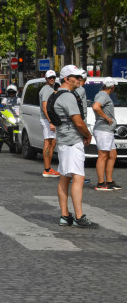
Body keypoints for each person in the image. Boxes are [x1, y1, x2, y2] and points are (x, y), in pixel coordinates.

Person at [53, 65, 98, 229]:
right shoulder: (69, 97)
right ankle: (79, 217)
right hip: (72, 141)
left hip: (64, 140)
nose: (80, 80)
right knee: (78, 177)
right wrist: (87, 134)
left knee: (65, 177)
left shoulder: (58, 95)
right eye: (76, 77)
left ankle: (65, 216)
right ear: (67, 79)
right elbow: (78, 121)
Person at [92, 77, 121, 191]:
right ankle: (100, 183)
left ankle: (109, 181)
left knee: (112, 155)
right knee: (103, 156)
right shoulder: (103, 95)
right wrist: (106, 118)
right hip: (103, 130)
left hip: (107, 130)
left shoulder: (102, 95)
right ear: (112, 87)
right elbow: (96, 107)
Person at [39, 70, 60, 177]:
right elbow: (44, 107)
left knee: (52, 142)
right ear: (46, 79)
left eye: (53, 77)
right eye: (50, 78)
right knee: (48, 142)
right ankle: (47, 169)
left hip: (49, 120)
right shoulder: (47, 90)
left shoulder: (50, 89)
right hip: (47, 120)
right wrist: (50, 121)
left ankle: (48, 168)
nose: (52, 79)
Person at [0, 85, 21, 154]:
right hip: (7, 117)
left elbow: (22, 106)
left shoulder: (19, 99)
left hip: (16, 116)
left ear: (15, 92)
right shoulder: (5, 99)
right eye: (10, 92)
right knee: (2, 132)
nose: (11, 94)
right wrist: (0, 110)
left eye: (13, 92)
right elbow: (1, 106)